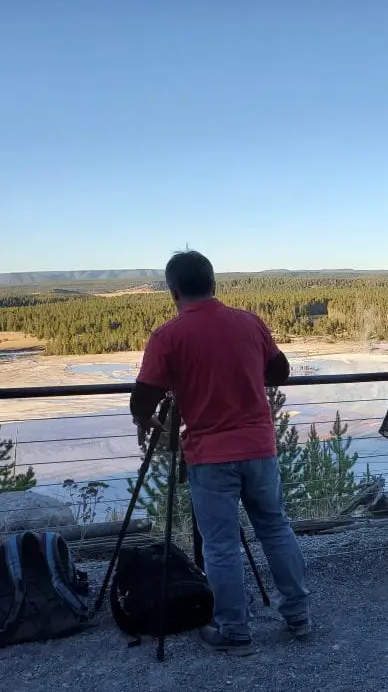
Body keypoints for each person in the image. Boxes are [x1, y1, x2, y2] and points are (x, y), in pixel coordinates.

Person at [130, 250, 310, 656]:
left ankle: (235, 632)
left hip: (209, 455)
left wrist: (148, 418)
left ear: (173, 291)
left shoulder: (168, 337)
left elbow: (143, 399)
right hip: (259, 447)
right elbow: (280, 373)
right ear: (214, 284)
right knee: (276, 529)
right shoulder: (249, 322)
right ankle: (299, 617)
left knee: (221, 545)